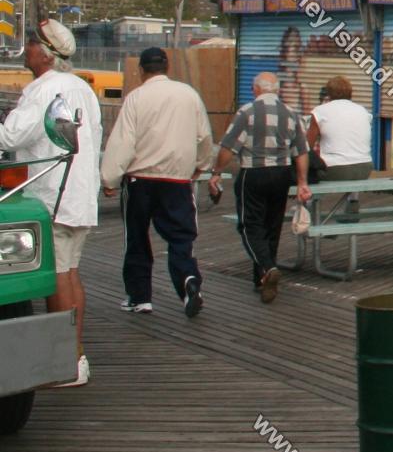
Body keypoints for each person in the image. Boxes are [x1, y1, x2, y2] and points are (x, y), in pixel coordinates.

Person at [0, 20, 101, 385]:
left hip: (53, 194)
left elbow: (11, 135)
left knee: (57, 274)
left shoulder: (43, 90)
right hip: (79, 194)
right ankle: (76, 358)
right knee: (71, 272)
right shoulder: (82, 88)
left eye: (30, 44)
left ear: (43, 54)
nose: (26, 49)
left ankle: (64, 363)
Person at [101, 47, 215, 319]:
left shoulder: (136, 98)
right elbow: (204, 136)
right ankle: (188, 280)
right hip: (177, 179)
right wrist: (202, 164)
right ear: (168, 67)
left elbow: (124, 142)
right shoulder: (189, 95)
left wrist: (110, 178)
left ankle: (140, 298)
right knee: (180, 236)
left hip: (140, 179)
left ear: (141, 70)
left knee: (137, 237)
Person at [212, 71, 310, 304]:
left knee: (249, 225)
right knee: (272, 225)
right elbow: (302, 151)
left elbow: (228, 147)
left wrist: (216, 172)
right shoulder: (291, 113)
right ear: (277, 91)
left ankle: (267, 268)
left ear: (255, 89)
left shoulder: (246, 112)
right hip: (282, 174)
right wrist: (302, 182)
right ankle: (262, 280)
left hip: (253, 173)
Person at [307, 75, 373, 183]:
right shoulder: (362, 110)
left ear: (328, 93)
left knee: (303, 167)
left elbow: (307, 145)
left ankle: (308, 199)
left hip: (335, 169)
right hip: (365, 168)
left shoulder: (320, 111)